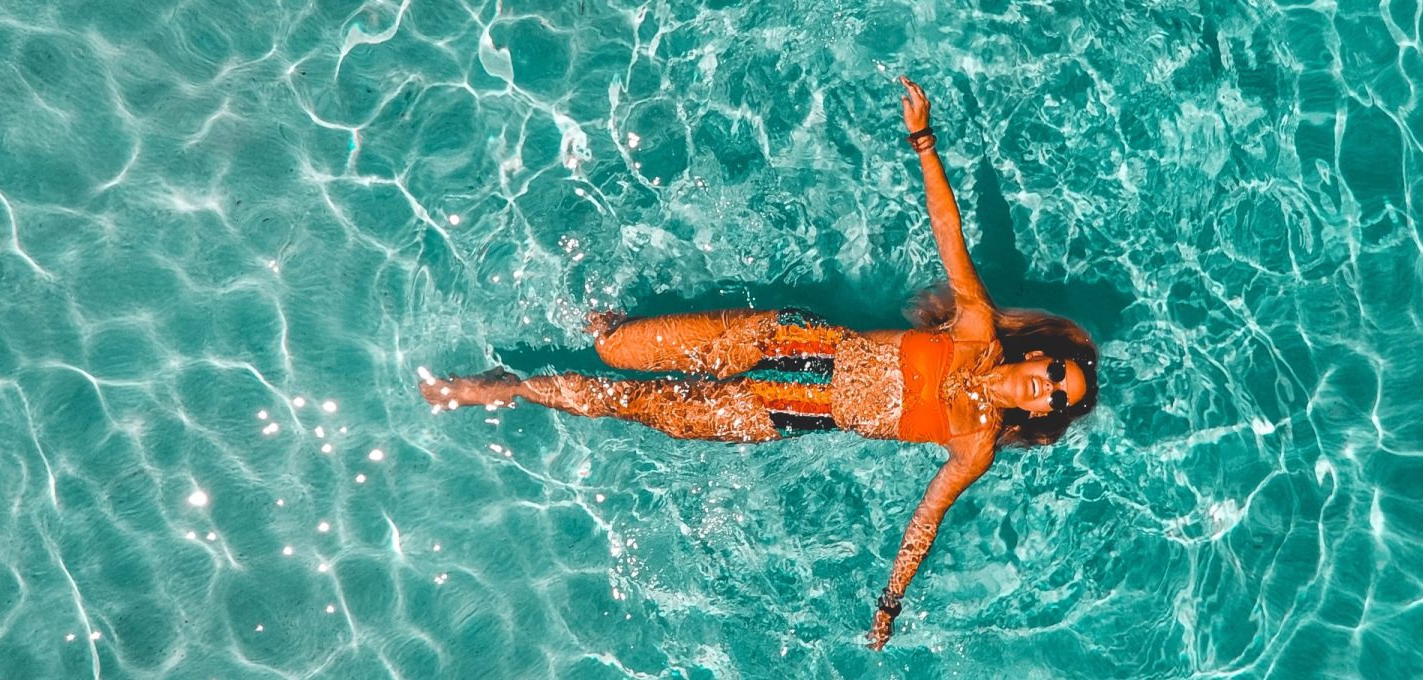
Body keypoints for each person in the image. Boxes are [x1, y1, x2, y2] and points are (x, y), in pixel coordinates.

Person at [419, 76, 1099, 650]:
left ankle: (512, 387)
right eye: (1055, 374)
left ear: (1042, 413)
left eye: (1054, 399)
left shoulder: (975, 443)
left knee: (629, 402)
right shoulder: (977, 325)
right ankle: (611, 330)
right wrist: (923, 140)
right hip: (784, 342)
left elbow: (927, 517)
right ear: (1041, 354)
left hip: (778, 412)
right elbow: (948, 231)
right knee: (613, 349)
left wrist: (890, 602)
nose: (1045, 388)